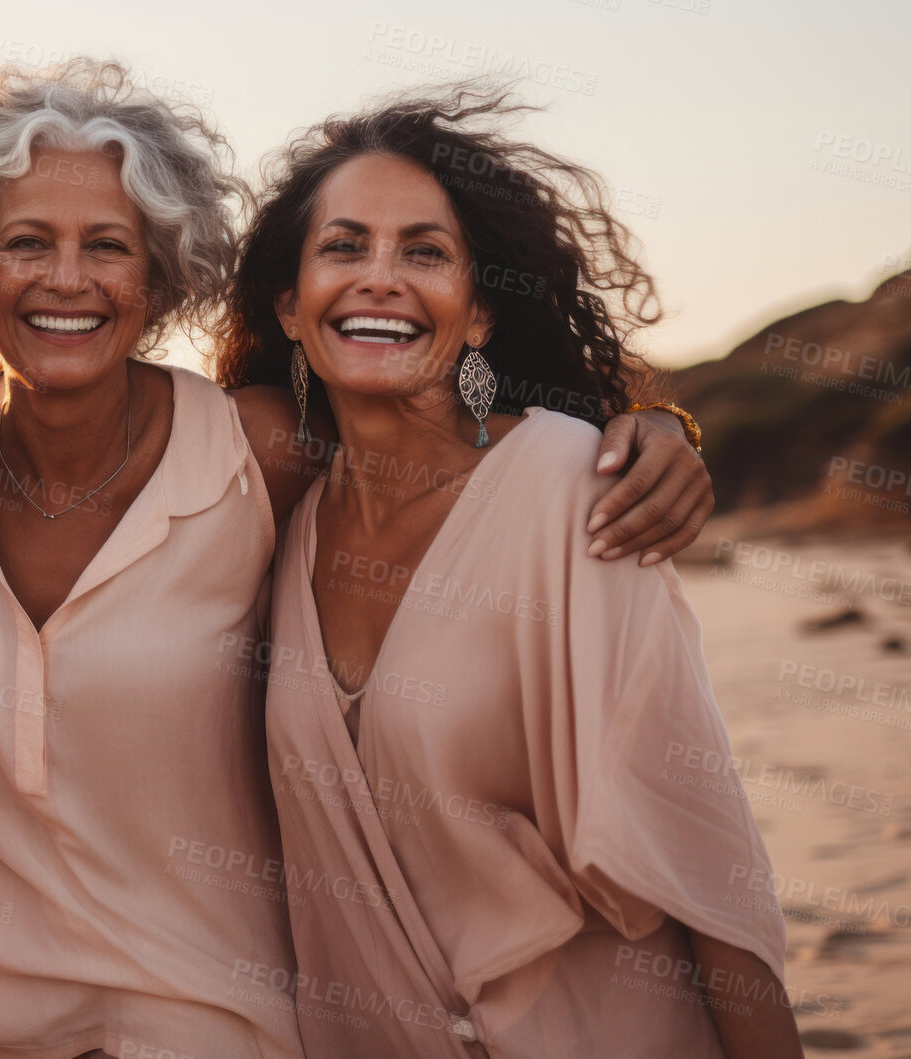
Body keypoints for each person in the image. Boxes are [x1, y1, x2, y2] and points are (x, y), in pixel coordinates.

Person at [0, 62, 715, 1058]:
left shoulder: (251, 449)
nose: (66, 278)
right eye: (23, 244)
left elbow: (450, 442)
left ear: (158, 272)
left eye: (107, 246)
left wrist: (648, 428)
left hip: (221, 1026)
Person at [233, 90, 797, 1056]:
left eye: (423, 252)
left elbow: (706, 863)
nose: (380, 279)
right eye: (343, 247)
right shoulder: (277, 520)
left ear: (480, 310)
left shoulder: (574, 490)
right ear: (290, 304)